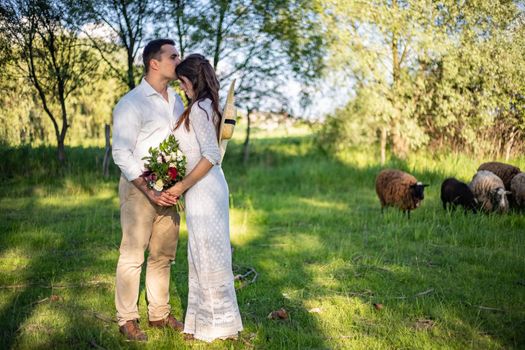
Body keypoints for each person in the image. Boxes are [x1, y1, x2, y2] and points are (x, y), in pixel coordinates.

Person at [112, 39, 185, 341]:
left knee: (163, 255)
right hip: (138, 188)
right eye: (173, 56)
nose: (178, 60)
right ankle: (127, 319)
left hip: (170, 190)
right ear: (154, 63)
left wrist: (177, 186)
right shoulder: (131, 103)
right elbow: (121, 153)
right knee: (133, 255)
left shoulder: (178, 101)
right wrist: (149, 189)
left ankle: (159, 314)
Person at [167, 54, 243, 342]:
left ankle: (216, 326)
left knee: (207, 255)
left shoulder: (200, 108)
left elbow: (210, 155)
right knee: (205, 254)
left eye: (183, 82)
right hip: (210, 188)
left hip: (204, 189)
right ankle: (207, 323)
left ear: (192, 80)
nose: (182, 88)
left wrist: (180, 186)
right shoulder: (208, 105)